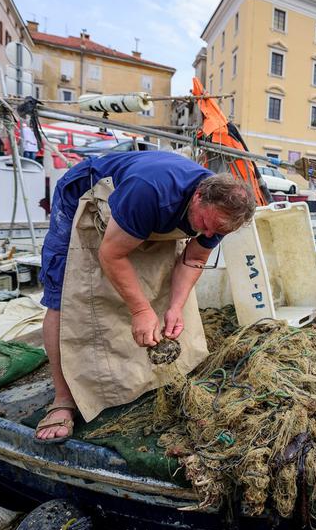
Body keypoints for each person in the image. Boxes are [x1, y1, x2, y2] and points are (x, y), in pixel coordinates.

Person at [35, 151, 256, 443]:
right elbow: (111, 254)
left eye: (217, 231)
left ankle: (140, 375)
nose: (207, 232)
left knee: (159, 288)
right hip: (85, 197)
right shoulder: (151, 190)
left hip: (144, 213)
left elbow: (194, 259)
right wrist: (140, 310)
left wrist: (175, 307)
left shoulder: (219, 216)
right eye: (204, 223)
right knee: (63, 294)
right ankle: (62, 400)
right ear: (198, 196)